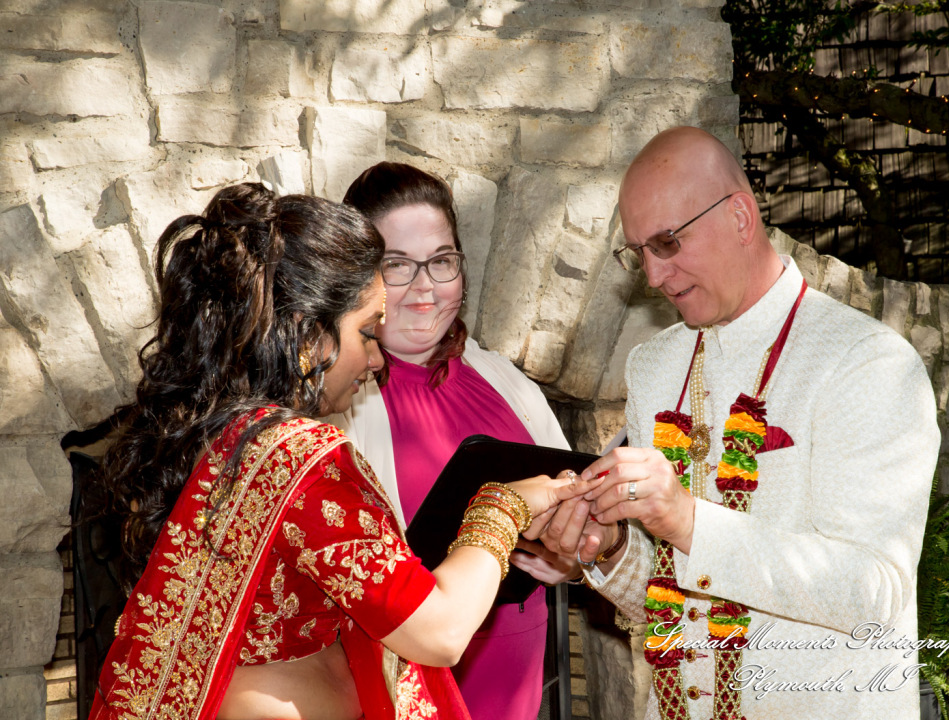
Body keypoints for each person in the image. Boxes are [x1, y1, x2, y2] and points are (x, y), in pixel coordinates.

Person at [88, 183, 594, 720]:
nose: (376, 358)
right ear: (309, 335)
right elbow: (441, 631)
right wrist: (502, 505)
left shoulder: (231, 437)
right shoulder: (299, 461)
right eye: (365, 332)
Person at [539, 127, 941, 719]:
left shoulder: (867, 362)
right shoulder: (654, 366)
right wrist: (613, 549)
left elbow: (873, 593)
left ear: (741, 217)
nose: (652, 276)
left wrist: (687, 519)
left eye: (668, 243)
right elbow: (678, 599)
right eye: (638, 253)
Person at [326, 161, 578, 720]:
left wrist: (569, 557)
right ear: (359, 277)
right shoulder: (338, 403)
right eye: (397, 265)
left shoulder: (509, 383)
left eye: (441, 262)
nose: (424, 288)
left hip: (515, 681)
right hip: (407, 685)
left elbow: (572, 502)